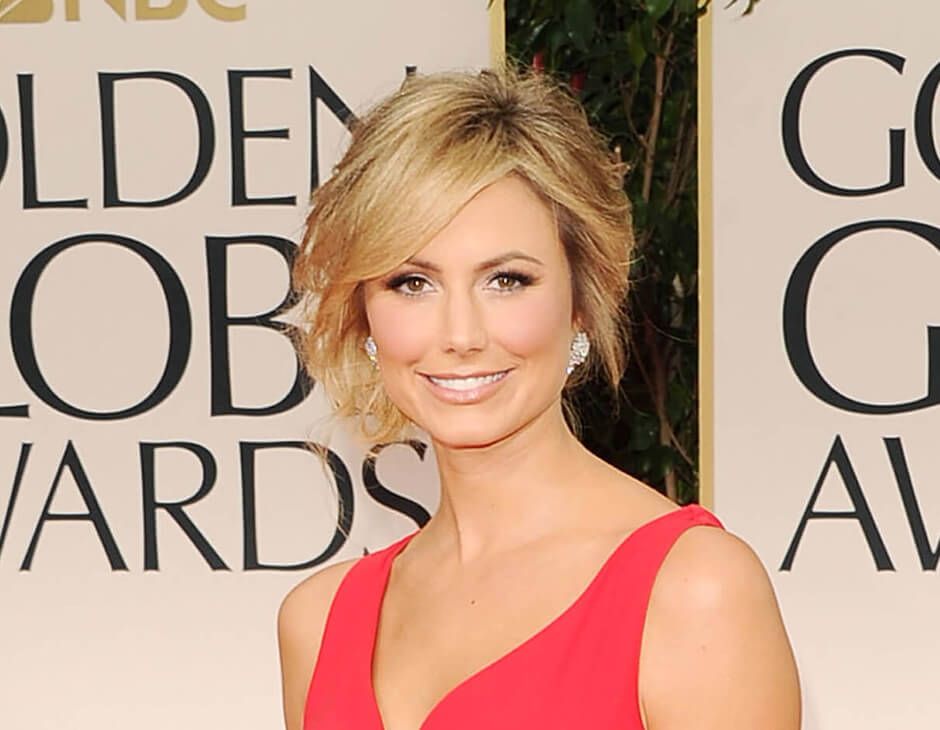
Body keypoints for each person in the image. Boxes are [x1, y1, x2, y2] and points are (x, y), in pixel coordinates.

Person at [278, 66, 801, 730]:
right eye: (412, 283)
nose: (460, 335)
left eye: (506, 280)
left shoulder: (693, 592)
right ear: (364, 314)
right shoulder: (317, 622)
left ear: (582, 301)